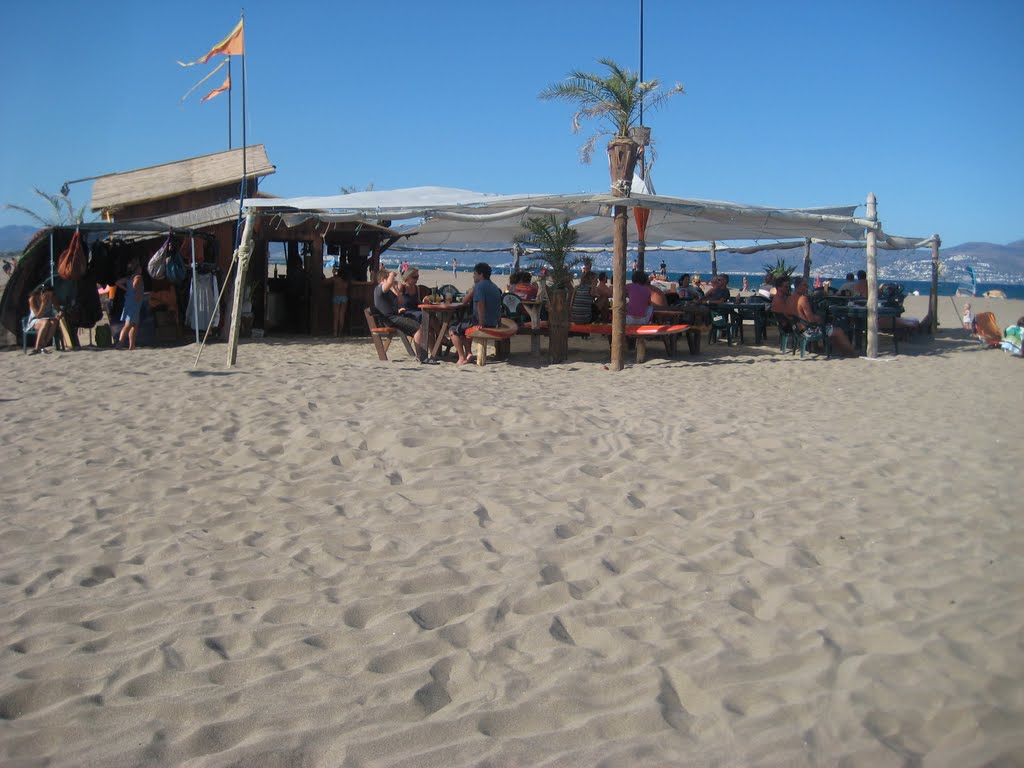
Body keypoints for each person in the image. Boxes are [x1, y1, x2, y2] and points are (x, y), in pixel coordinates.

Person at [373, 268, 437, 364]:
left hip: (394, 317)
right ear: (383, 280)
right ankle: (421, 356)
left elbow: (401, 302)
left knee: (421, 326)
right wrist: (391, 274)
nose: (393, 281)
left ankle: (423, 355)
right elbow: (389, 283)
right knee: (418, 328)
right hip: (390, 319)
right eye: (390, 279)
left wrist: (397, 292)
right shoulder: (379, 288)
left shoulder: (387, 292)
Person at [449, 262, 502, 366]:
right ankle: (468, 353)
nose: (473, 276)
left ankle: (461, 357)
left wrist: (481, 322)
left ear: (481, 275)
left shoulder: (480, 286)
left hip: (483, 322)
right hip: (494, 321)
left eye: (475, 274)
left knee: (452, 329)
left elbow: (479, 304)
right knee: (464, 328)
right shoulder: (494, 287)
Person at [789, 276, 856, 356]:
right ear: (798, 286)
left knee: (831, 329)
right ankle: (851, 353)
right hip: (808, 330)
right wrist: (819, 318)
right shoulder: (803, 299)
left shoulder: (791, 297)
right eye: (804, 285)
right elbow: (811, 320)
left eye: (807, 285)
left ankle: (841, 350)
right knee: (838, 331)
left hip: (798, 330)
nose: (806, 287)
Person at [116, 259, 144, 350]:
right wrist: (137, 291)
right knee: (128, 324)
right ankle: (120, 344)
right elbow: (135, 284)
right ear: (137, 269)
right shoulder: (138, 277)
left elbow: (118, 282)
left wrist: (127, 289)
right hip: (134, 303)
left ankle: (132, 345)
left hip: (129, 302)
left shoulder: (129, 277)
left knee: (134, 325)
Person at [25, 284, 60, 354]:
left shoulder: (52, 297)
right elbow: (38, 316)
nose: (49, 297)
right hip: (35, 321)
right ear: (42, 293)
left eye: (50, 295)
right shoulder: (33, 299)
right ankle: (37, 347)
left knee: (54, 321)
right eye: (47, 295)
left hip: (48, 319)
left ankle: (43, 345)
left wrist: (59, 312)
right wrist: (43, 304)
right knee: (46, 322)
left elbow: (58, 308)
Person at [327, 264, 350, 337]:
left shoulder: (335, 279)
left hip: (336, 297)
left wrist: (333, 274)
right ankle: (340, 332)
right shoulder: (346, 281)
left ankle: (335, 333)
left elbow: (324, 282)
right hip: (344, 297)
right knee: (341, 316)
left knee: (336, 317)